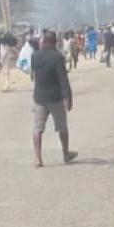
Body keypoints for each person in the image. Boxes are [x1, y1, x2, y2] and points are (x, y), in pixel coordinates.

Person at [30, 30, 77, 167]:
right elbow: (63, 79)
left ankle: (38, 159)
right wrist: (68, 97)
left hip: (39, 97)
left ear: (44, 41)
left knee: (38, 128)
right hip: (55, 98)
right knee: (62, 127)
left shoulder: (35, 57)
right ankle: (66, 154)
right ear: (54, 42)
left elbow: (34, 71)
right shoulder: (57, 57)